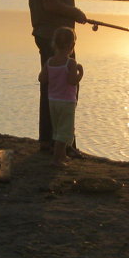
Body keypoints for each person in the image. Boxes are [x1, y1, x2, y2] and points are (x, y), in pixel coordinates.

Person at [27, 0, 88, 152]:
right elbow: (50, 2)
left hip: (44, 33)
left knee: (50, 89)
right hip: (57, 38)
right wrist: (75, 13)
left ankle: (48, 141)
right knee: (68, 90)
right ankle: (64, 144)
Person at [38, 26, 84, 166]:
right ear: (72, 45)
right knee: (65, 131)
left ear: (54, 44)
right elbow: (72, 81)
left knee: (57, 128)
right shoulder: (71, 63)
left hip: (52, 100)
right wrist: (80, 74)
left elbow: (42, 79)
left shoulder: (50, 61)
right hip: (67, 102)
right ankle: (57, 159)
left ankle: (62, 155)